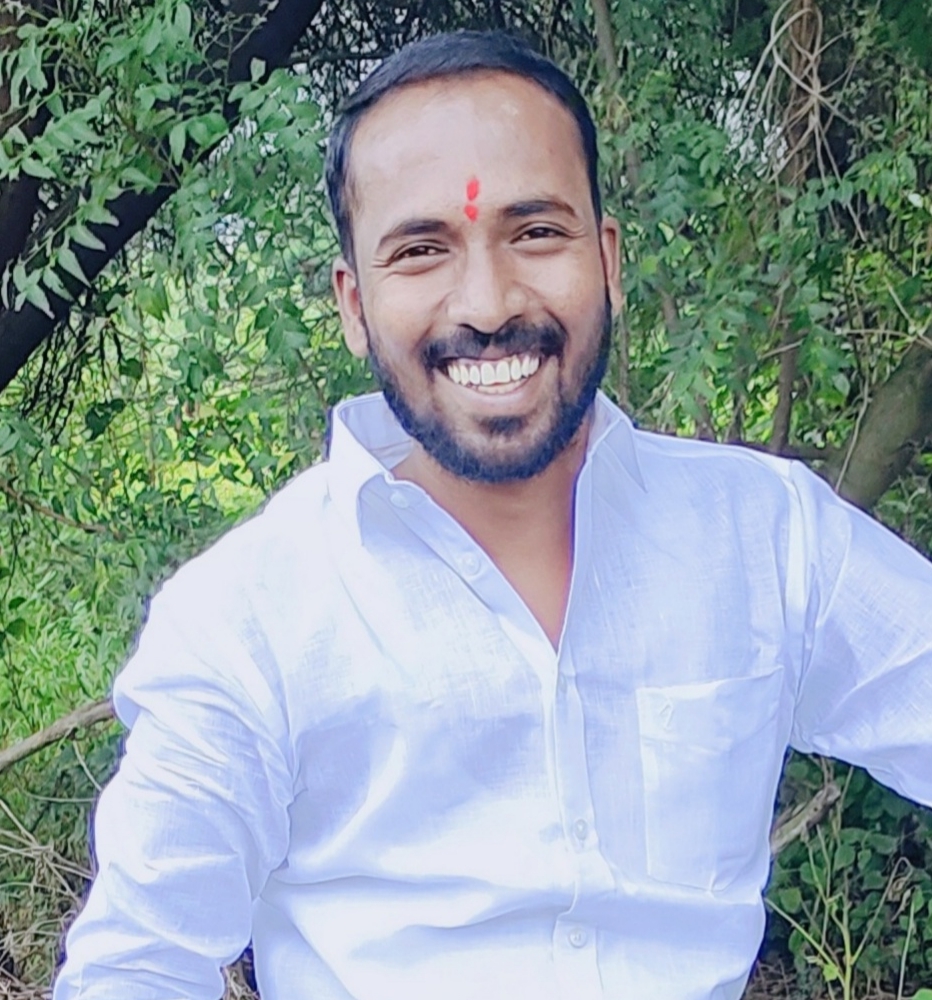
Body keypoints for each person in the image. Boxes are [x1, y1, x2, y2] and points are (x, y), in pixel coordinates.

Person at [53, 29, 932, 1000]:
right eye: (420, 250)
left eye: (536, 232)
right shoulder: (246, 617)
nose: (485, 302)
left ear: (608, 260)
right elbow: (134, 966)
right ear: (353, 303)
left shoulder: (767, 539)